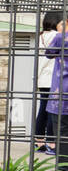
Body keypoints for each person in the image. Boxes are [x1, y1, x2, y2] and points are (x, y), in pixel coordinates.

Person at [34, 13, 63, 153]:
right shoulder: (56, 36)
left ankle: (39, 142)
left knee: (43, 110)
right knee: (53, 111)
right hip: (53, 79)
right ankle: (51, 144)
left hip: (42, 79)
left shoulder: (40, 36)